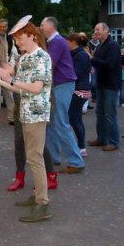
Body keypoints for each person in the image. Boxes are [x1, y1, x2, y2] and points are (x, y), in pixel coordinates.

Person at [0, 19, 53, 222]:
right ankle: (37, 197)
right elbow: (19, 88)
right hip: (24, 113)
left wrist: (10, 79)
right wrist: (0, 81)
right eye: (15, 40)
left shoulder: (43, 57)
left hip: (36, 114)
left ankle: (43, 204)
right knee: (32, 157)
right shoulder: (25, 59)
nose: (17, 43)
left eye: (20, 38)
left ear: (32, 36)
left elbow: (35, 88)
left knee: (35, 157)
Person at [39, 16, 85, 173]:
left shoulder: (57, 42)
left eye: (42, 25)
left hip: (63, 85)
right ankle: (53, 157)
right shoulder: (55, 42)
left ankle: (75, 161)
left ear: (51, 25)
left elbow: (49, 63)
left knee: (60, 122)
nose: (41, 28)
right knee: (51, 122)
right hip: (60, 85)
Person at [87, 22, 122, 152]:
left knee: (109, 113)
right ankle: (101, 138)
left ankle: (113, 141)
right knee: (100, 112)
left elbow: (110, 64)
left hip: (110, 84)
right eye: (95, 30)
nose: (96, 32)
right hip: (102, 83)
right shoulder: (101, 46)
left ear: (106, 31)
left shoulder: (113, 45)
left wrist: (92, 59)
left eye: (98, 30)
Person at [66, 33, 91, 157]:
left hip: (79, 90)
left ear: (72, 42)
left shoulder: (80, 56)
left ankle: (81, 147)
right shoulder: (80, 54)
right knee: (77, 119)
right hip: (81, 89)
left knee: (73, 119)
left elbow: (76, 73)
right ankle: (81, 146)